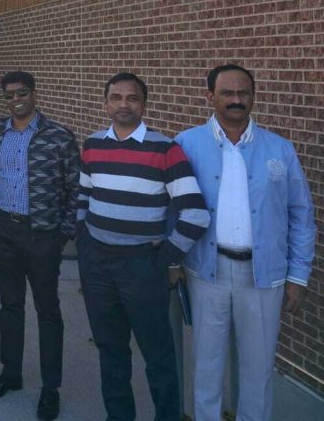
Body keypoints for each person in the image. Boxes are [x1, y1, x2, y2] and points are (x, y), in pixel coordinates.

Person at [176, 64, 316, 421]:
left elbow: (300, 213)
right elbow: (171, 207)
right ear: (210, 97)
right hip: (207, 271)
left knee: (259, 367)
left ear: (253, 97)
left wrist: (298, 276)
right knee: (206, 364)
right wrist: (173, 261)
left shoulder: (279, 149)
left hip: (264, 274)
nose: (236, 100)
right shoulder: (186, 144)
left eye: (243, 93)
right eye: (227, 93)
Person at [77, 72, 209, 421]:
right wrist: (84, 242)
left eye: (132, 98)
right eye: (116, 97)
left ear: (143, 104)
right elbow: (83, 196)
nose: (124, 104)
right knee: (111, 349)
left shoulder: (165, 149)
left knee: (158, 355)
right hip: (98, 264)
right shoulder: (92, 144)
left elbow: (196, 214)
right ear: (105, 103)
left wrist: (163, 258)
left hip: (142, 265)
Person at [0, 71, 79, 420]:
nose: (15, 99)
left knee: (48, 311)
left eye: (21, 93)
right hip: (4, 229)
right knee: (10, 305)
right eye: (8, 95)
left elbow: (74, 189)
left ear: (34, 94)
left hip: (43, 235)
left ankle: (51, 387)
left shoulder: (59, 137)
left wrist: (63, 233)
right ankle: (11, 374)